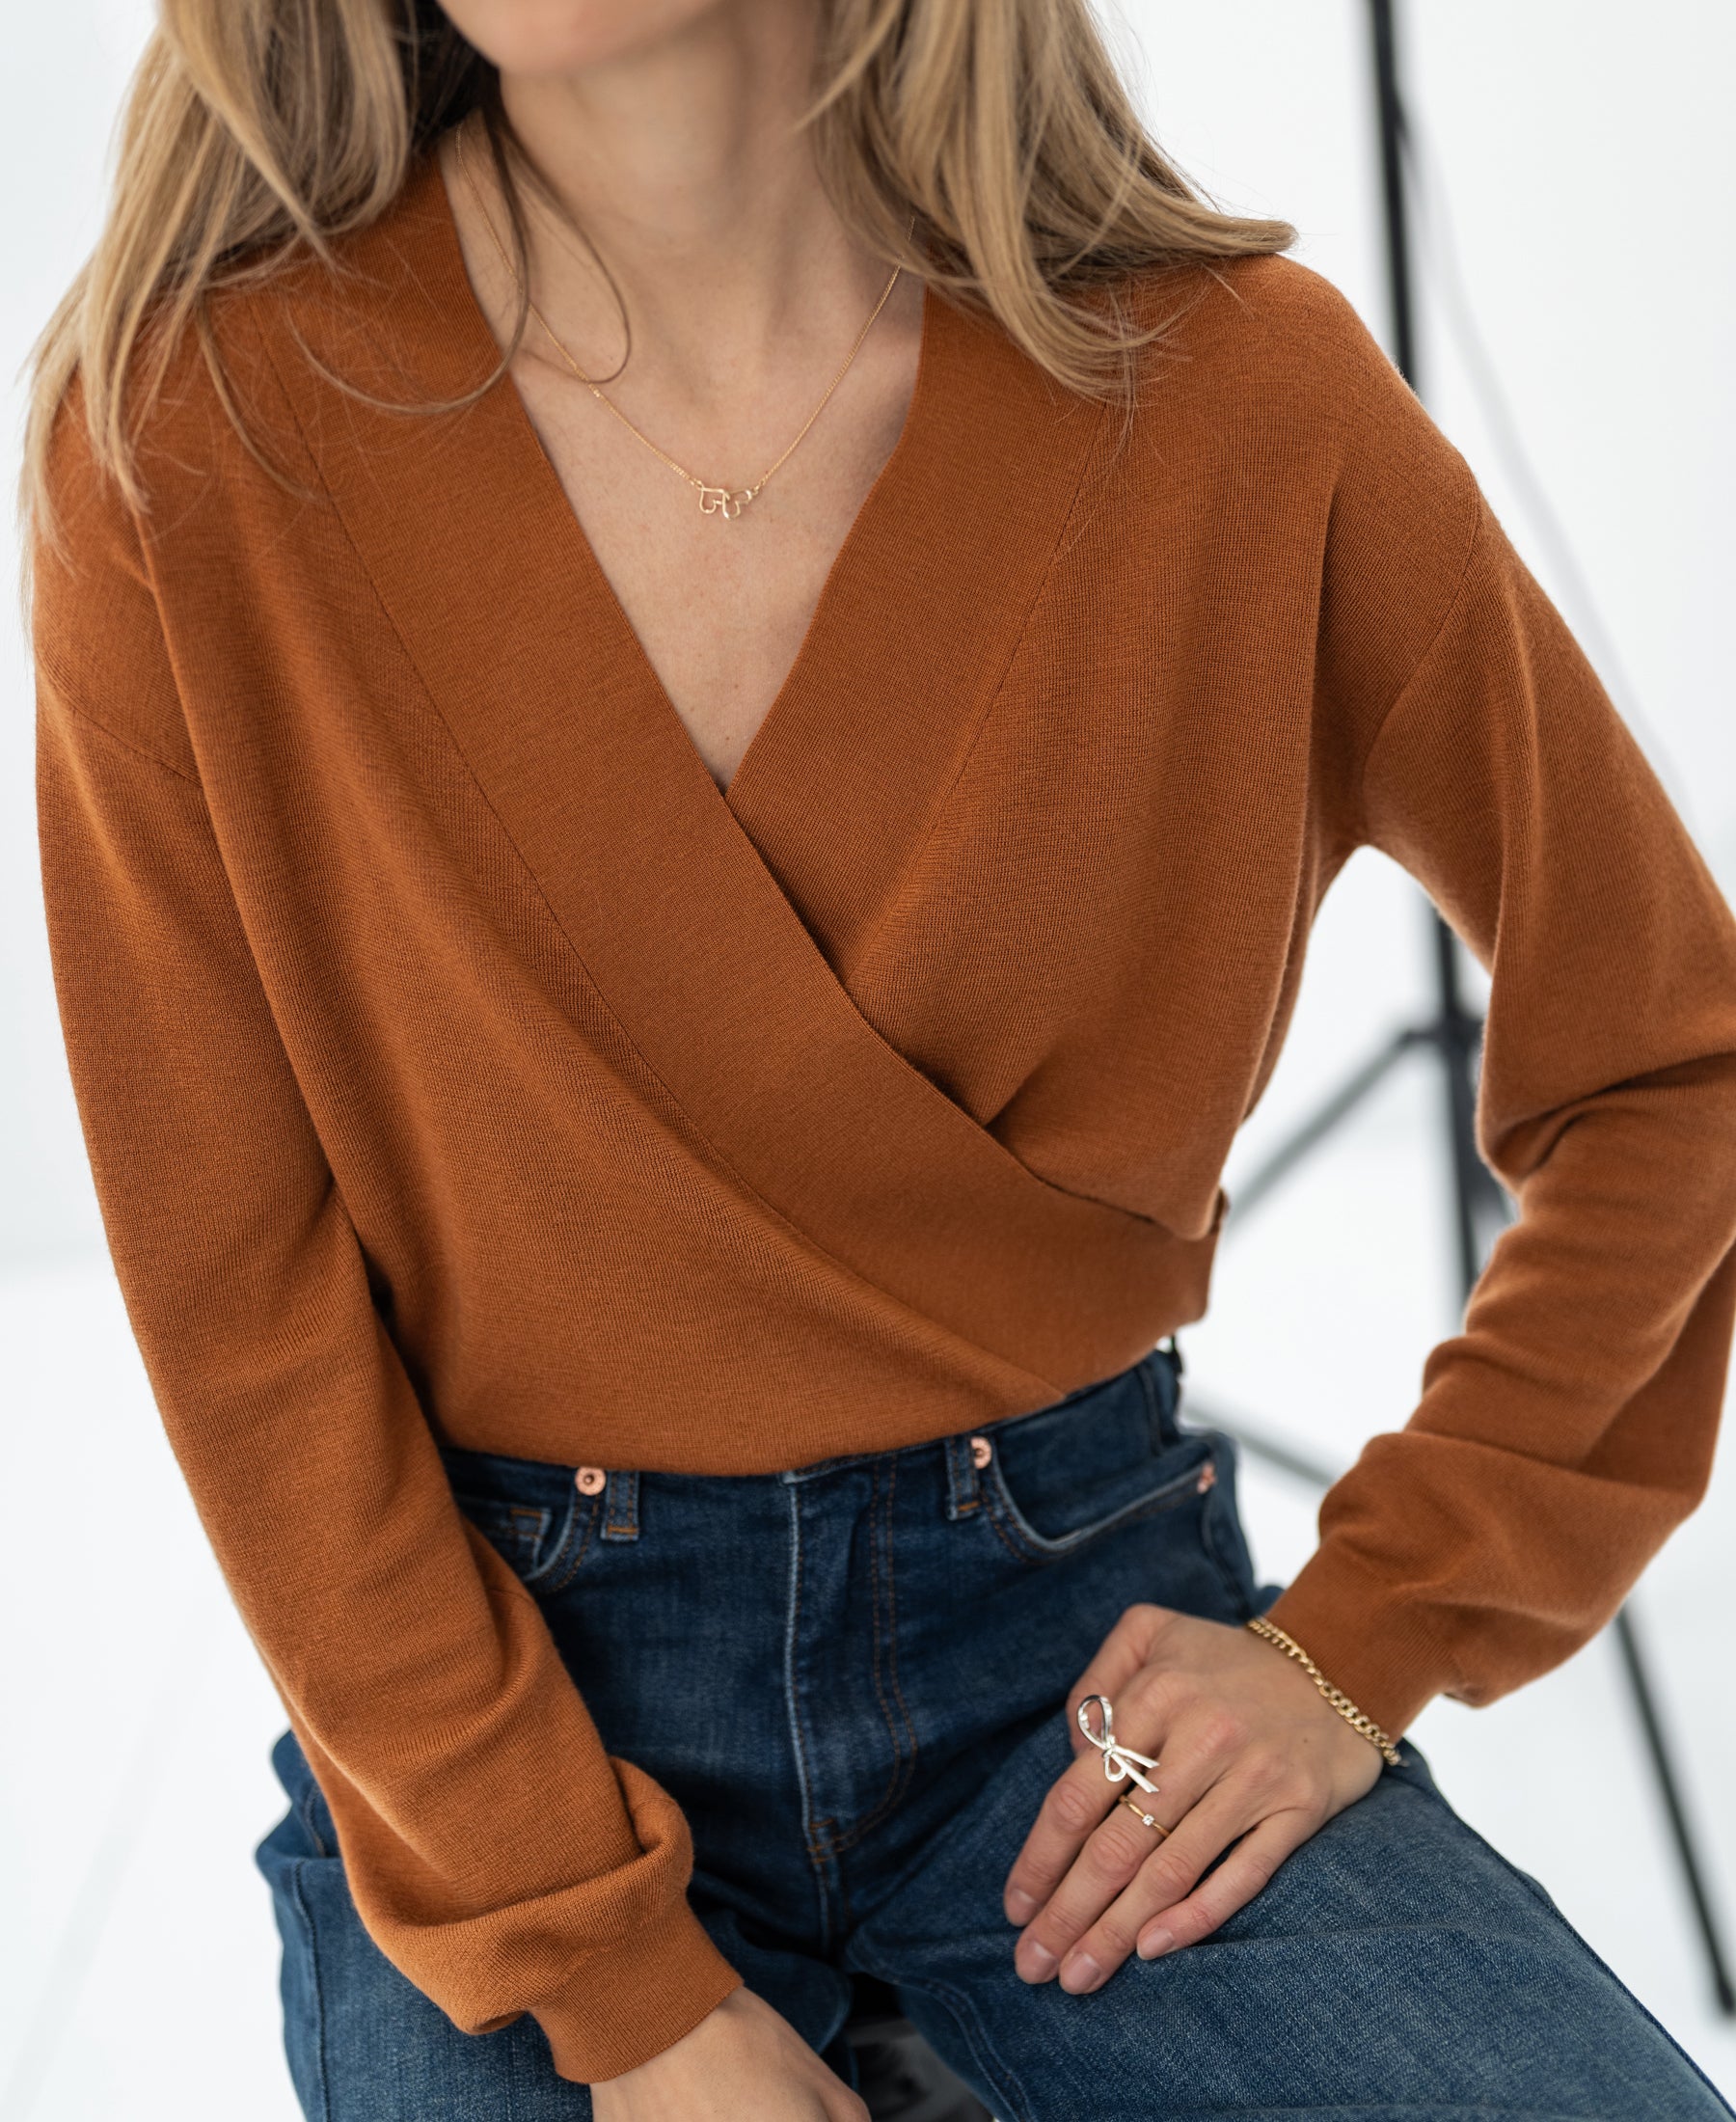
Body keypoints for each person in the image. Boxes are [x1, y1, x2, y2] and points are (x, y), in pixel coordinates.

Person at [22, 1, 1736, 2116]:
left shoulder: (1236, 399)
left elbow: (1675, 1062)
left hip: (1078, 1671)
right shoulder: (190, 441)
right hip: (505, 1722)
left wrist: (1368, 1628)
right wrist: (615, 1982)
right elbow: (242, 1318)